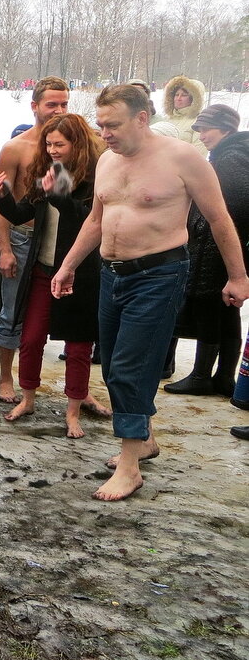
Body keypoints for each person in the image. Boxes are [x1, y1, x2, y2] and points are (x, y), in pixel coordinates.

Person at [51, 85, 249, 501]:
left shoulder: (182, 158)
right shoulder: (107, 160)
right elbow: (95, 221)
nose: (104, 133)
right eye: (101, 124)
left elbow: (219, 219)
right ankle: (145, 438)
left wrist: (238, 276)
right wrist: (68, 265)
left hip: (159, 274)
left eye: (114, 124)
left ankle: (129, 467)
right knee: (112, 365)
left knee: (129, 366)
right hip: (112, 273)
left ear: (142, 118)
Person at [0, 114, 112, 437]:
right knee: (30, 340)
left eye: (60, 144)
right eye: (49, 144)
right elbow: (20, 214)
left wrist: (58, 194)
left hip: (80, 274)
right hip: (43, 270)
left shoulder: (94, 177)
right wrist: (2, 195)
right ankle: (27, 397)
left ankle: (73, 411)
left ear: (78, 144)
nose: (53, 150)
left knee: (77, 347)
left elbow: (87, 219)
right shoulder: (47, 173)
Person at [0, 77, 70, 403]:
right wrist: (4, 248)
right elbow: (2, 203)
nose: (59, 110)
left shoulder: (72, 145)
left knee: (70, 310)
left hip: (62, 238)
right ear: (35, 106)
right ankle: (6, 376)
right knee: (13, 310)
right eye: (52, 104)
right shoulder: (15, 148)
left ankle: (71, 386)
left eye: (64, 104)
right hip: (23, 238)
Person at [164, 105, 249, 398]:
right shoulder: (233, 154)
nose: (201, 135)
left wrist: (199, 226)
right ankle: (223, 377)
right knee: (226, 312)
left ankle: (203, 376)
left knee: (210, 308)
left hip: (216, 249)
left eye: (206, 129)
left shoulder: (230, 159)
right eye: (198, 129)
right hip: (225, 247)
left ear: (225, 128)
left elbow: (231, 208)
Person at [157, 75, 207, 154]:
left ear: (193, 99)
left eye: (184, 95)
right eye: (176, 95)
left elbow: (199, 154)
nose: (178, 98)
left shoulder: (199, 122)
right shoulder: (167, 119)